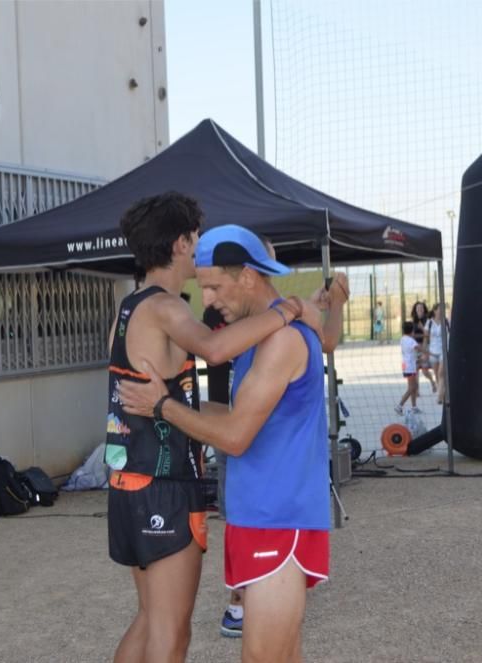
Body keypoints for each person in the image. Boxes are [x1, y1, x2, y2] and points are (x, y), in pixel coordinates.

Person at [105, 194, 320, 663]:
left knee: (148, 619)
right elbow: (215, 349)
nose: (209, 298)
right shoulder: (163, 306)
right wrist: (285, 311)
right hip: (161, 484)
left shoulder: (129, 306)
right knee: (170, 632)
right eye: (196, 238)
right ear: (181, 242)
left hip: (129, 483)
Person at [206, 243, 349, 639]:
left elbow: (235, 435)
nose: (208, 298)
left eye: (215, 286)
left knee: (266, 652)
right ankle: (239, 600)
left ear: (250, 275)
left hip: (277, 516)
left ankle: (238, 603)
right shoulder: (257, 323)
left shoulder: (279, 333)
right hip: (258, 508)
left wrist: (164, 407)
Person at [395, 320, 428, 415]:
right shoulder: (411, 341)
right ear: (412, 331)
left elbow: (411, 352)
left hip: (407, 365)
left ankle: (414, 407)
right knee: (412, 387)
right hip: (410, 367)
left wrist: (417, 357)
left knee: (414, 386)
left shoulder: (403, 339)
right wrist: (426, 352)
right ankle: (399, 405)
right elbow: (419, 348)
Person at [410, 301, 437, 393]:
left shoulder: (428, 321)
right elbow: (411, 335)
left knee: (425, 370)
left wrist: (422, 329)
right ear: (415, 310)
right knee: (416, 369)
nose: (420, 310)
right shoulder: (413, 321)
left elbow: (429, 335)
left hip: (425, 347)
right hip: (416, 348)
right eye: (418, 308)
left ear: (424, 310)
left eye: (421, 308)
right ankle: (416, 390)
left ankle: (433, 382)